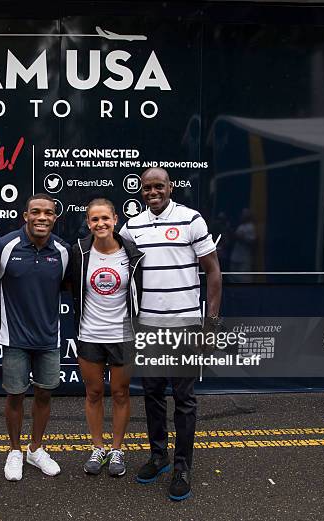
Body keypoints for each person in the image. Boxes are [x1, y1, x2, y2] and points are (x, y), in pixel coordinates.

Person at [119, 168, 222, 501]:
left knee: (184, 400)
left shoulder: (192, 219)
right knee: (151, 395)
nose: (152, 192)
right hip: (148, 326)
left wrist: (211, 323)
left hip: (185, 327)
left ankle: (182, 466)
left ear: (170, 187)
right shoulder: (132, 225)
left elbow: (214, 273)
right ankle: (159, 455)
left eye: (158, 186)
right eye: (147, 187)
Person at [0, 193, 70, 482]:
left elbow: (71, 284)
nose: (41, 217)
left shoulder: (62, 250)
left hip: (49, 339)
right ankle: (14, 451)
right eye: (35, 212)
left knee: (44, 394)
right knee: (15, 396)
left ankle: (35, 449)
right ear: (25, 215)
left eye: (48, 213)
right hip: (14, 338)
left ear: (54, 217)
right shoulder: (4, 246)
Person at [71, 198, 144, 477]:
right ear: (88, 223)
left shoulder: (132, 253)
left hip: (124, 335)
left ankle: (116, 449)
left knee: (121, 393)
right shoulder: (79, 251)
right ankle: (98, 447)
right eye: (94, 219)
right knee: (93, 393)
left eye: (105, 218)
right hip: (90, 333)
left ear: (115, 220)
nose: (100, 224)